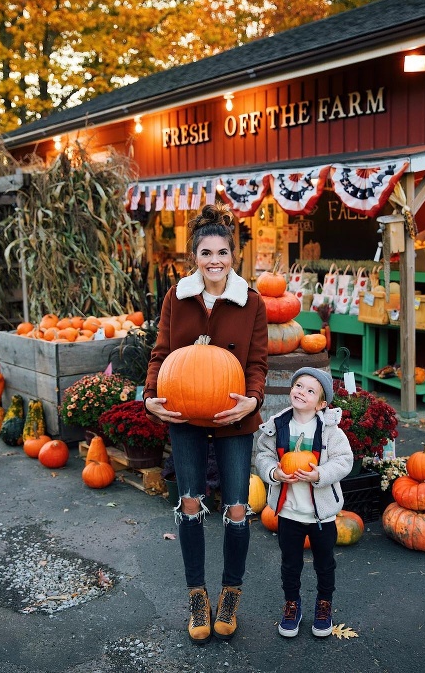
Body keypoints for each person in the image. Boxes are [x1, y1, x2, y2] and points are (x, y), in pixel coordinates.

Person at [143, 203, 268, 645]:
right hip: (185, 415)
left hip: (234, 416)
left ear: (234, 256)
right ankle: (197, 594)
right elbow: (160, 355)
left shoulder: (251, 302)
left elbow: (257, 363)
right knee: (190, 503)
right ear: (194, 257)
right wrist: (150, 398)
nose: (215, 261)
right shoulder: (177, 298)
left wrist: (250, 401)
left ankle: (230, 592)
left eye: (223, 253)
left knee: (237, 507)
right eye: (206, 253)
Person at [255, 367, 353, 638]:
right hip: (288, 513)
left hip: (321, 516)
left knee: (325, 563)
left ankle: (324, 605)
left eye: (311, 390)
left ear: (322, 403)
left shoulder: (329, 429)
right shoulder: (278, 424)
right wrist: (274, 472)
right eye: (298, 385)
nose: (301, 392)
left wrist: (319, 474)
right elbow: (262, 454)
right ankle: (292, 605)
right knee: (290, 563)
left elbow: (344, 460)